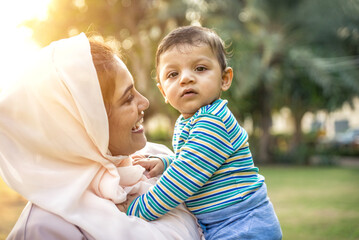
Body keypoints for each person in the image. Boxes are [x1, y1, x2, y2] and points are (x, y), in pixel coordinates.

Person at [0, 33, 202, 239]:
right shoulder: (45, 229)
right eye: (128, 98)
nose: (144, 103)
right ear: (87, 124)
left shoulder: (158, 160)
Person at [126, 26, 282, 240]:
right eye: (173, 74)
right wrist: (167, 163)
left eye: (200, 68)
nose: (186, 78)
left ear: (225, 78)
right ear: (163, 90)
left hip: (244, 225)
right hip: (225, 225)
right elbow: (198, 163)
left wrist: (135, 210)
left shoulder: (214, 122)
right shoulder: (190, 121)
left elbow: (182, 180)